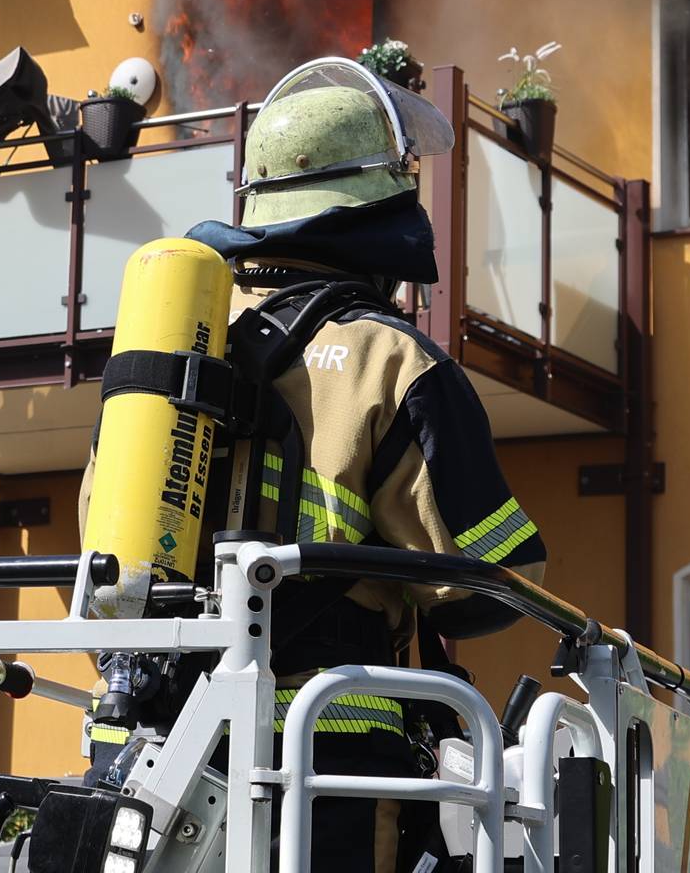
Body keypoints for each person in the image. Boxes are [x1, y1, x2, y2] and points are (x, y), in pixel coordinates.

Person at [191, 56, 549, 873]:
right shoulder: (394, 360)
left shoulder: (172, 344)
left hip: (154, 748)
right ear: (376, 217)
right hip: (327, 766)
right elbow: (484, 584)